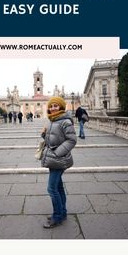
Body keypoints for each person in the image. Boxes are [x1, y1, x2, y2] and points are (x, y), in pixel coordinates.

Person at [40, 96, 77, 228]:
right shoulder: (52, 120)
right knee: (58, 187)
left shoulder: (65, 121)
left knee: (51, 189)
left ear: (61, 107)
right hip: (52, 159)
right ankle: (63, 213)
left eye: (56, 105)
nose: (53, 108)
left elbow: (72, 140)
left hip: (58, 159)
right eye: (51, 106)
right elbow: (53, 139)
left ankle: (57, 217)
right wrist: (44, 135)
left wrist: (57, 153)